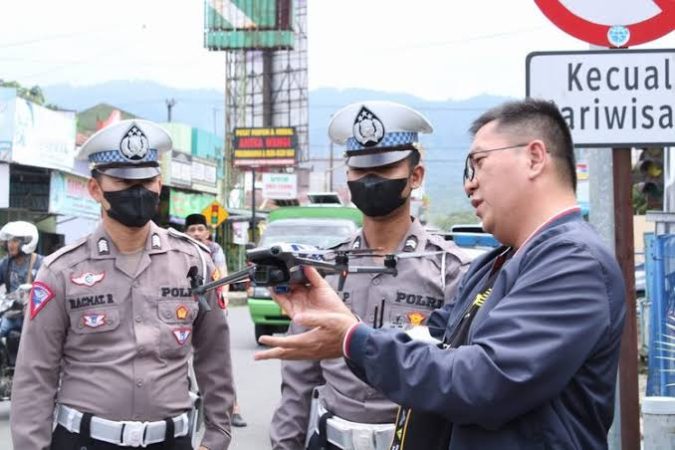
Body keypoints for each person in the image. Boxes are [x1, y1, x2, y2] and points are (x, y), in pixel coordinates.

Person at [257, 98, 627, 449]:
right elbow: (432, 340)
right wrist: (343, 324)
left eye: (478, 163)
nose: (469, 183)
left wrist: (353, 339)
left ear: (534, 157)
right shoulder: (496, 263)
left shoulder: (572, 260)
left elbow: (485, 381)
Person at [11, 119, 234, 450]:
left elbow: (214, 357)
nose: (138, 192)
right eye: (123, 182)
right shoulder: (61, 271)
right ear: (95, 189)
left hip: (171, 441)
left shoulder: (195, 263)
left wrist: (217, 436)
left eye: (147, 181)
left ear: (160, 183)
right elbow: (35, 375)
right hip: (85, 441)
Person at [269, 101, 470, 450]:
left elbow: (462, 379)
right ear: (347, 178)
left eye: (386, 168)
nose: (371, 181)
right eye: (360, 172)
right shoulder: (323, 269)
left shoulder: (449, 270)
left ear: (415, 176)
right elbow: (299, 380)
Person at [185, 212, 248, 428]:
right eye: (192, 229)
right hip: (184, 313)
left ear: (207, 232)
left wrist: (222, 302)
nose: (196, 233)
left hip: (211, 309)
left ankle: (233, 409)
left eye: (200, 229)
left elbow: (222, 277)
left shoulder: (214, 250)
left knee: (217, 362)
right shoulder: (180, 251)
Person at [0, 221, 43, 337]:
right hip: (12, 315)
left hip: (35, 317)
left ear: (27, 243)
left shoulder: (41, 264)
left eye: (14, 241)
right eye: (9, 241)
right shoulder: (6, 264)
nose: (10, 245)